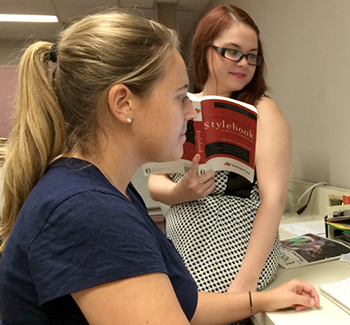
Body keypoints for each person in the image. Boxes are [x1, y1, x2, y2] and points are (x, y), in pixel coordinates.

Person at [0, 10, 319, 324]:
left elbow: (185, 305)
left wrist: (262, 300)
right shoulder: (88, 211)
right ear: (123, 103)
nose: (191, 113)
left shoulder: (105, 190)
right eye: (180, 97)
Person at [148, 5, 291, 297]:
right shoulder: (183, 105)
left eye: (252, 55)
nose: (243, 63)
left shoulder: (263, 110)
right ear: (205, 49)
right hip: (183, 234)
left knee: (198, 297)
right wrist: (180, 193)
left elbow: (274, 199)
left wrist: (244, 285)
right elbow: (154, 181)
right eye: (232, 51)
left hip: (237, 238)